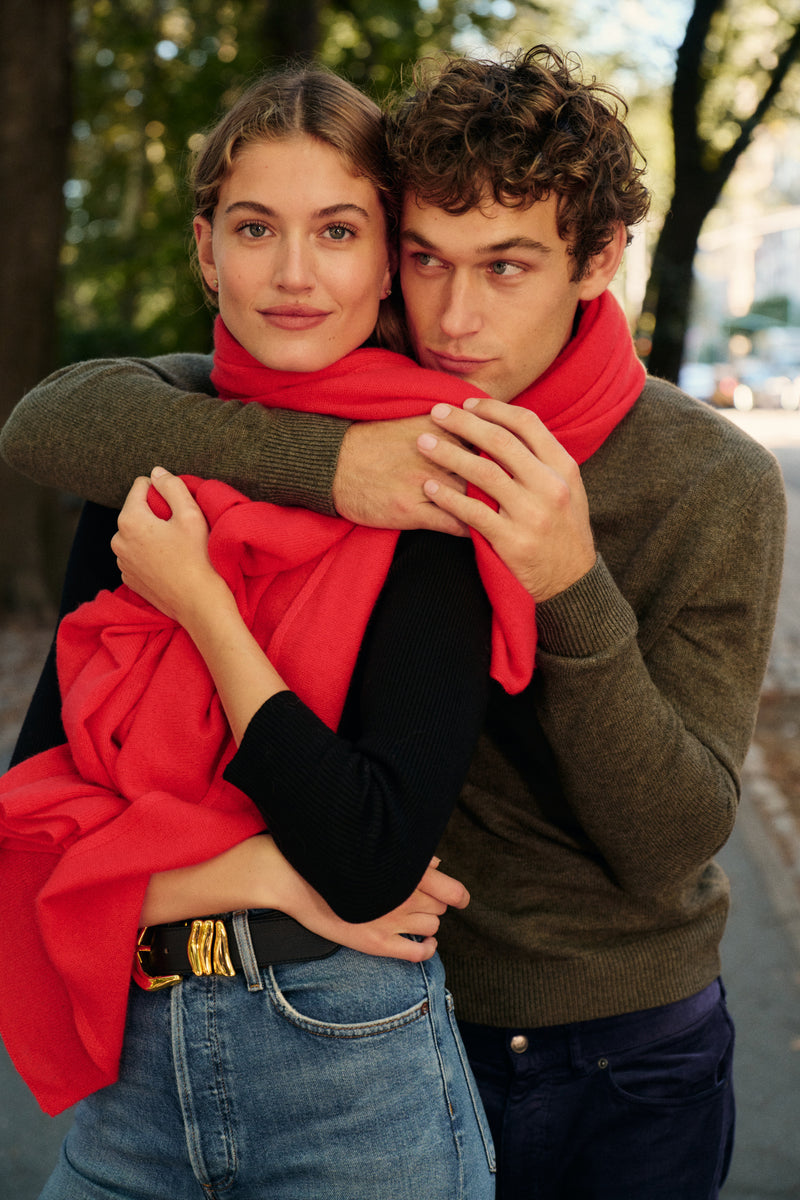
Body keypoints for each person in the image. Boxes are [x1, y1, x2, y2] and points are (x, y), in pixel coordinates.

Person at [1, 45, 787, 1200]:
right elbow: (59, 420)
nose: (455, 316)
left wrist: (566, 584)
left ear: (600, 260)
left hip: (603, 1046)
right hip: (350, 1006)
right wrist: (333, 465)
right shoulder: (360, 415)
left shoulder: (704, 479)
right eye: (424, 257)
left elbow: (670, 837)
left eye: (506, 266)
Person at [0, 66, 501, 1199]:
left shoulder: (435, 494)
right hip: (129, 1082)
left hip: (349, 1084)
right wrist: (263, 870)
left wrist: (205, 608)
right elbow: (29, 825)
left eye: (335, 230)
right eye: (253, 227)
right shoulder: (136, 478)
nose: (290, 272)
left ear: (385, 262)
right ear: (204, 251)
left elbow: (368, 860)